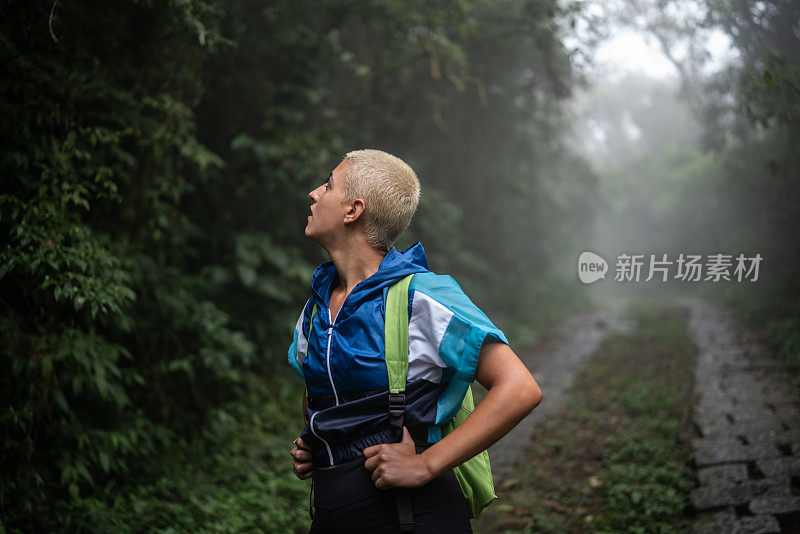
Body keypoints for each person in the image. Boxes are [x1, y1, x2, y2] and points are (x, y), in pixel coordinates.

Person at [288, 149, 542, 533]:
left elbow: (521, 388)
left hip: (412, 517)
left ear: (353, 210)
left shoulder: (423, 296)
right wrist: (317, 442)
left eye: (328, 185)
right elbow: (321, 393)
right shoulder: (315, 307)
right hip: (331, 515)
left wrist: (426, 464)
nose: (313, 193)